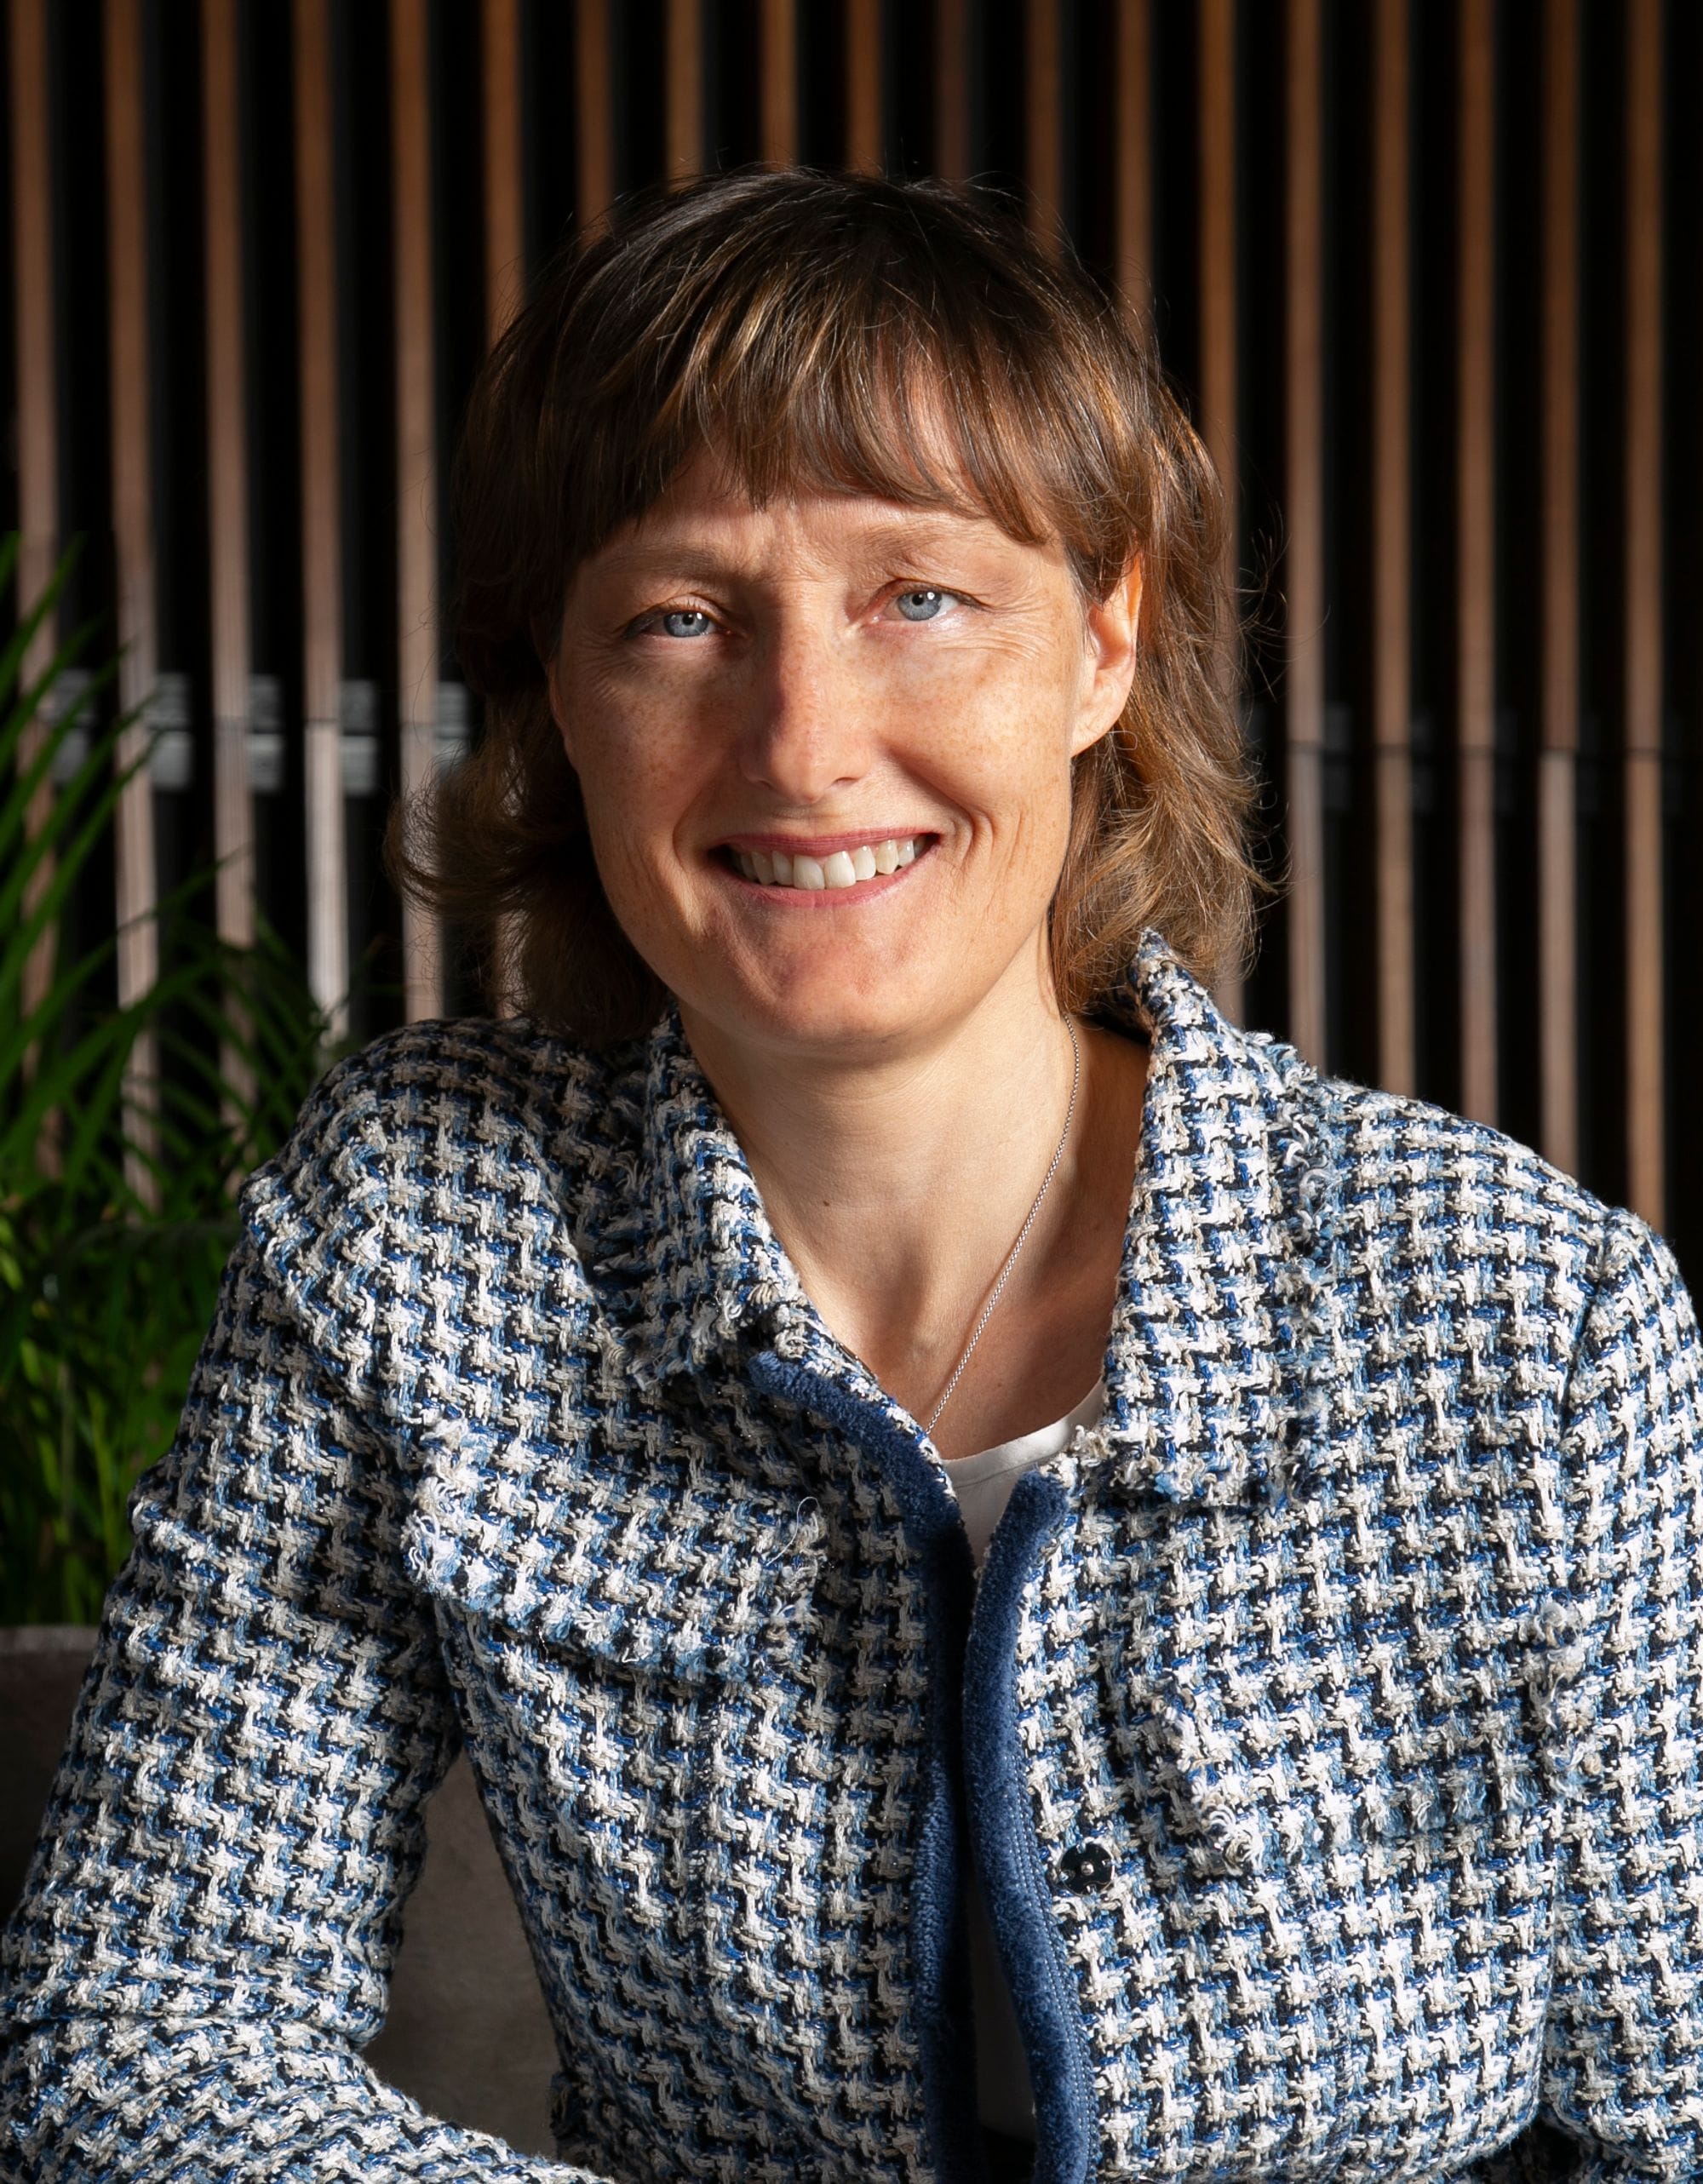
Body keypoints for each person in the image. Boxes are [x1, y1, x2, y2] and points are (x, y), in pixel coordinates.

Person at [3, 164, 1700, 2184]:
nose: (803, 741)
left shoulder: (1530, 1316)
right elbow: (136, 2030)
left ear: (1098, 642)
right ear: (558, 687)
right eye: (680, 616)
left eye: (919, 595)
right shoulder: (419, 1224)